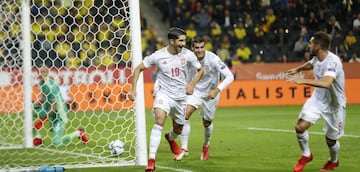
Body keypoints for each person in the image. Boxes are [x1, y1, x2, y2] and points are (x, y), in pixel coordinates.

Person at [128, 27, 204, 172]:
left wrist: (192, 84)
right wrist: (133, 89)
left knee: (178, 128)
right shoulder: (158, 56)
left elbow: (201, 70)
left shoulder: (188, 55)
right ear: (172, 41)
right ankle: (151, 161)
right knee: (159, 120)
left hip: (181, 98)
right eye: (181, 41)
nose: (184, 43)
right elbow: (138, 68)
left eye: (184, 40)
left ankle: (170, 137)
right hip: (164, 94)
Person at [286, 31, 346, 172]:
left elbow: (326, 83)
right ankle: (306, 155)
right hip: (318, 100)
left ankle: (333, 161)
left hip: (335, 106)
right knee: (300, 127)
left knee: (330, 141)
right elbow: (311, 64)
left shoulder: (333, 62)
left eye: (311, 43)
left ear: (318, 46)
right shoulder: (317, 58)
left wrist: (302, 80)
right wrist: (297, 69)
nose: (309, 45)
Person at [174, 36, 234, 161]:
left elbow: (230, 76)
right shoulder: (188, 58)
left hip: (211, 93)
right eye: (197, 48)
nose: (200, 50)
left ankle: (206, 146)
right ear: (192, 48)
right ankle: (184, 148)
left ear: (205, 47)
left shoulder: (213, 59)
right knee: (185, 114)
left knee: (207, 122)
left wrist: (217, 90)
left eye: (202, 47)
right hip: (195, 91)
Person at [33, 66, 89, 147]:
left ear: (48, 73)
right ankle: (38, 138)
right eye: (40, 72)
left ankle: (78, 133)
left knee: (57, 143)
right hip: (48, 110)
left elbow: (54, 105)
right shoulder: (41, 84)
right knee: (29, 112)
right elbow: (45, 97)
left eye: (44, 72)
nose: (42, 74)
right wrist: (36, 104)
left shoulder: (51, 86)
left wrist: (42, 120)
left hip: (59, 115)